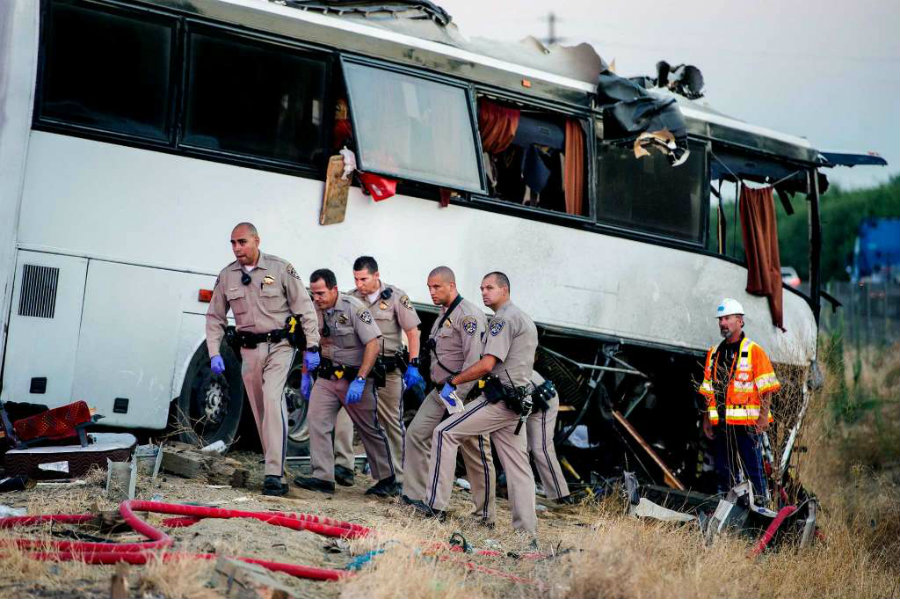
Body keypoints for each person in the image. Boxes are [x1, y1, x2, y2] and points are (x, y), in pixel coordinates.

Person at [411, 272, 539, 534]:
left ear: (505, 289)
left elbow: (487, 363)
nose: (484, 293)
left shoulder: (503, 319)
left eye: (490, 288)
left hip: (500, 400)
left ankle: (435, 507)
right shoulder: (523, 317)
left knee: (444, 433)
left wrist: (455, 382)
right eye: (481, 288)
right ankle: (526, 531)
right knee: (518, 469)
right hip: (518, 400)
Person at [205, 222, 320, 496]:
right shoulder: (227, 276)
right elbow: (215, 317)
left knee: (272, 399)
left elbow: (305, 308)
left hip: (280, 347)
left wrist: (312, 346)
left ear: (256, 240)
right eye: (232, 243)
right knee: (260, 410)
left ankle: (273, 474)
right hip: (249, 351)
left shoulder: (280, 269)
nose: (236, 248)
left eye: (242, 242)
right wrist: (213, 352)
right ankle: (273, 467)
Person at [402, 266, 496, 526]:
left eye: (437, 287)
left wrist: (457, 397)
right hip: (440, 390)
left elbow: (474, 360)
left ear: (451, 286)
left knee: (475, 452)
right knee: (416, 433)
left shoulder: (468, 316)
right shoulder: (444, 313)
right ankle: (416, 496)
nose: (431, 292)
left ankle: (485, 515)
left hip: (461, 392)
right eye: (429, 287)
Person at [293, 268, 398, 497]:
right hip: (327, 377)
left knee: (369, 428)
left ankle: (388, 479)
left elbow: (373, 343)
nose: (317, 298)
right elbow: (310, 344)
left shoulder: (353, 308)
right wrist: (304, 375)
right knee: (316, 420)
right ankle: (323, 476)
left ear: (334, 289)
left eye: (321, 293)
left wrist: (361, 379)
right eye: (314, 293)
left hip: (355, 379)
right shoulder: (313, 310)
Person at [331, 256, 423, 487]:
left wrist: (414, 364)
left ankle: (398, 478)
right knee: (344, 413)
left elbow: (413, 332)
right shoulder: (351, 298)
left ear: (376, 275)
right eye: (356, 279)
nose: (360, 284)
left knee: (390, 421)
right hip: (358, 368)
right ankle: (344, 465)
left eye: (364, 279)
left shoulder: (395, 297)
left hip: (386, 369)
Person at [699, 298, 781, 502]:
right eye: (720, 319)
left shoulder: (754, 351)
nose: (722, 323)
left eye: (727, 318)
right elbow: (708, 388)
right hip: (723, 425)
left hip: (747, 426)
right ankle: (729, 511)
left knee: (754, 470)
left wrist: (762, 418)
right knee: (724, 472)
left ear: (740, 321)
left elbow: (767, 388)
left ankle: (761, 507)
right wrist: (708, 418)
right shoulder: (714, 353)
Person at [527, 371, 575, 505]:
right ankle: (519, 490)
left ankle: (561, 496)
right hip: (523, 398)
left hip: (542, 398)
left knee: (541, 447)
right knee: (518, 447)